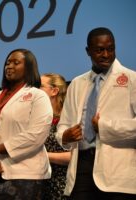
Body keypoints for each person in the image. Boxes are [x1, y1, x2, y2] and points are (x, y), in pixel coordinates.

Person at [56, 27, 136, 199]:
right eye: (99, 50)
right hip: (82, 164)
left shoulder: (132, 79)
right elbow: (64, 124)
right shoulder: (77, 83)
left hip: (118, 167)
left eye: (110, 49)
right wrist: (65, 136)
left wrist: (104, 127)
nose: (106, 54)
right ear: (88, 51)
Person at [0, 48, 53, 200]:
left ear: (29, 67)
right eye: (8, 63)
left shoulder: (38, 96)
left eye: (16, 63)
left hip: (26, 174)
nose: (9, 66)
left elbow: (36, 135)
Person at [40, 73, 70, 200]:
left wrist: (42, 156)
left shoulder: (68, 118)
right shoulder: (39, 118)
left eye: (39, 86)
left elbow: (73, 156)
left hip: (62, 184)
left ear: (54, 91)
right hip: (40, 184)